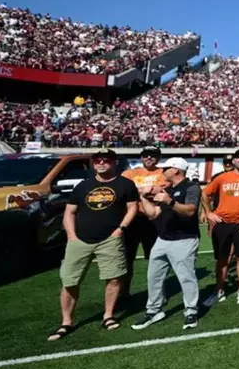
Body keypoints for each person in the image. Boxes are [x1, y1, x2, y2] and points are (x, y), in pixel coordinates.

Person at [49, 149, 139, 341]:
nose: (101, 163)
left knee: (113, 278)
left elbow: (132, 208)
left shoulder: (125, 184)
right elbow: (69, 212)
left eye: (106, 160)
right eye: (98, 160)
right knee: (70, 280)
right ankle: (66, 322)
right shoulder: (83, 186)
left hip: (110, 239)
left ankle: (108, 315)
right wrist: (71, 235)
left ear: (114, 162)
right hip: (79, 240)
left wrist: (120, 230)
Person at [132, 157, 202, 331]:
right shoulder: (168, 189)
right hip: (162, 240)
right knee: (153, 277)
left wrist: (169, 201)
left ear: (175, 170)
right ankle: (154, 311)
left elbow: (190, 211)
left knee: (186, 278)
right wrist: (144, 198)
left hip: (184, 240)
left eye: (166, 168)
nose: (162, 171)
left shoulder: (191, 187)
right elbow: (154, 214)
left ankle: (191, 311)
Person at [201, 148, 239, 306]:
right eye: (238, 157)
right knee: (222, 258)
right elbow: (205, 193)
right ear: (234, 160)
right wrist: (208, 212)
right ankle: (219, 289)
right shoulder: (222, 177)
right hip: (222, 222)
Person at [121, 146, 168, 298]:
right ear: (141, 157)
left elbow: (159, 192)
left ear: (158, 158)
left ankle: (158, 293)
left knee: (157, 259)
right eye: (146, 155)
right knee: (126, 259)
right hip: (131, 220)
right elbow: (122, 191)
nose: (149, 158)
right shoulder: (130, 173)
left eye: (152, 155)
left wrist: (135, 190)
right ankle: (123, 293)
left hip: (154, 221)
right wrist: (145, 190)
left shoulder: (163, 173)